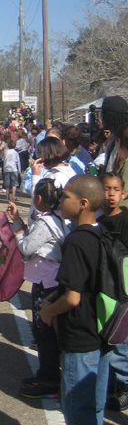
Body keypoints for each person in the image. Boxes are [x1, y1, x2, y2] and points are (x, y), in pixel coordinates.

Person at [40, 175, 112, 425]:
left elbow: (71, 298)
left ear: (82, 203)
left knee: (77, 409)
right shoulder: (99, 234)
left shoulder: (76, 242)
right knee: (93, 407)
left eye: (66, 196)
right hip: (101, 334)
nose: (60, 200)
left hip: (79, 338)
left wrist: (48, 313)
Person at [8, 178, 69, 399]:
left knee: (44, 332)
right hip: (49, 280)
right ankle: (46, 373)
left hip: (46, 284)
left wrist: (16, 225)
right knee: (45, 332)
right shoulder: (56, 218)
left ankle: (48, 379)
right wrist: (19, 219)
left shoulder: (46, 223)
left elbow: (26, 247)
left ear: (40, 198)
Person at [97, 172, 128, 412]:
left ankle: (124, 385)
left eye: (115, 190)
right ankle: (110, 385)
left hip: (123, 291)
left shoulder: (125, 221)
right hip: (104, 289)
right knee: (107, 337)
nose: (111, 194)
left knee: (122, 342)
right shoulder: (96, 220)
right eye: (106, 189)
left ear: (123, 194)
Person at [2, 137, 21, 201]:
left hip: (7, 168)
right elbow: (18, 161)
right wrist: (19, 170)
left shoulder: (6, 152)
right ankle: (13, 195)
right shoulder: (16, 153)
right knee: (14, 183)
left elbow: (3, 160)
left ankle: (7, 195)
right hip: (14, 168)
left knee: (7, 183)